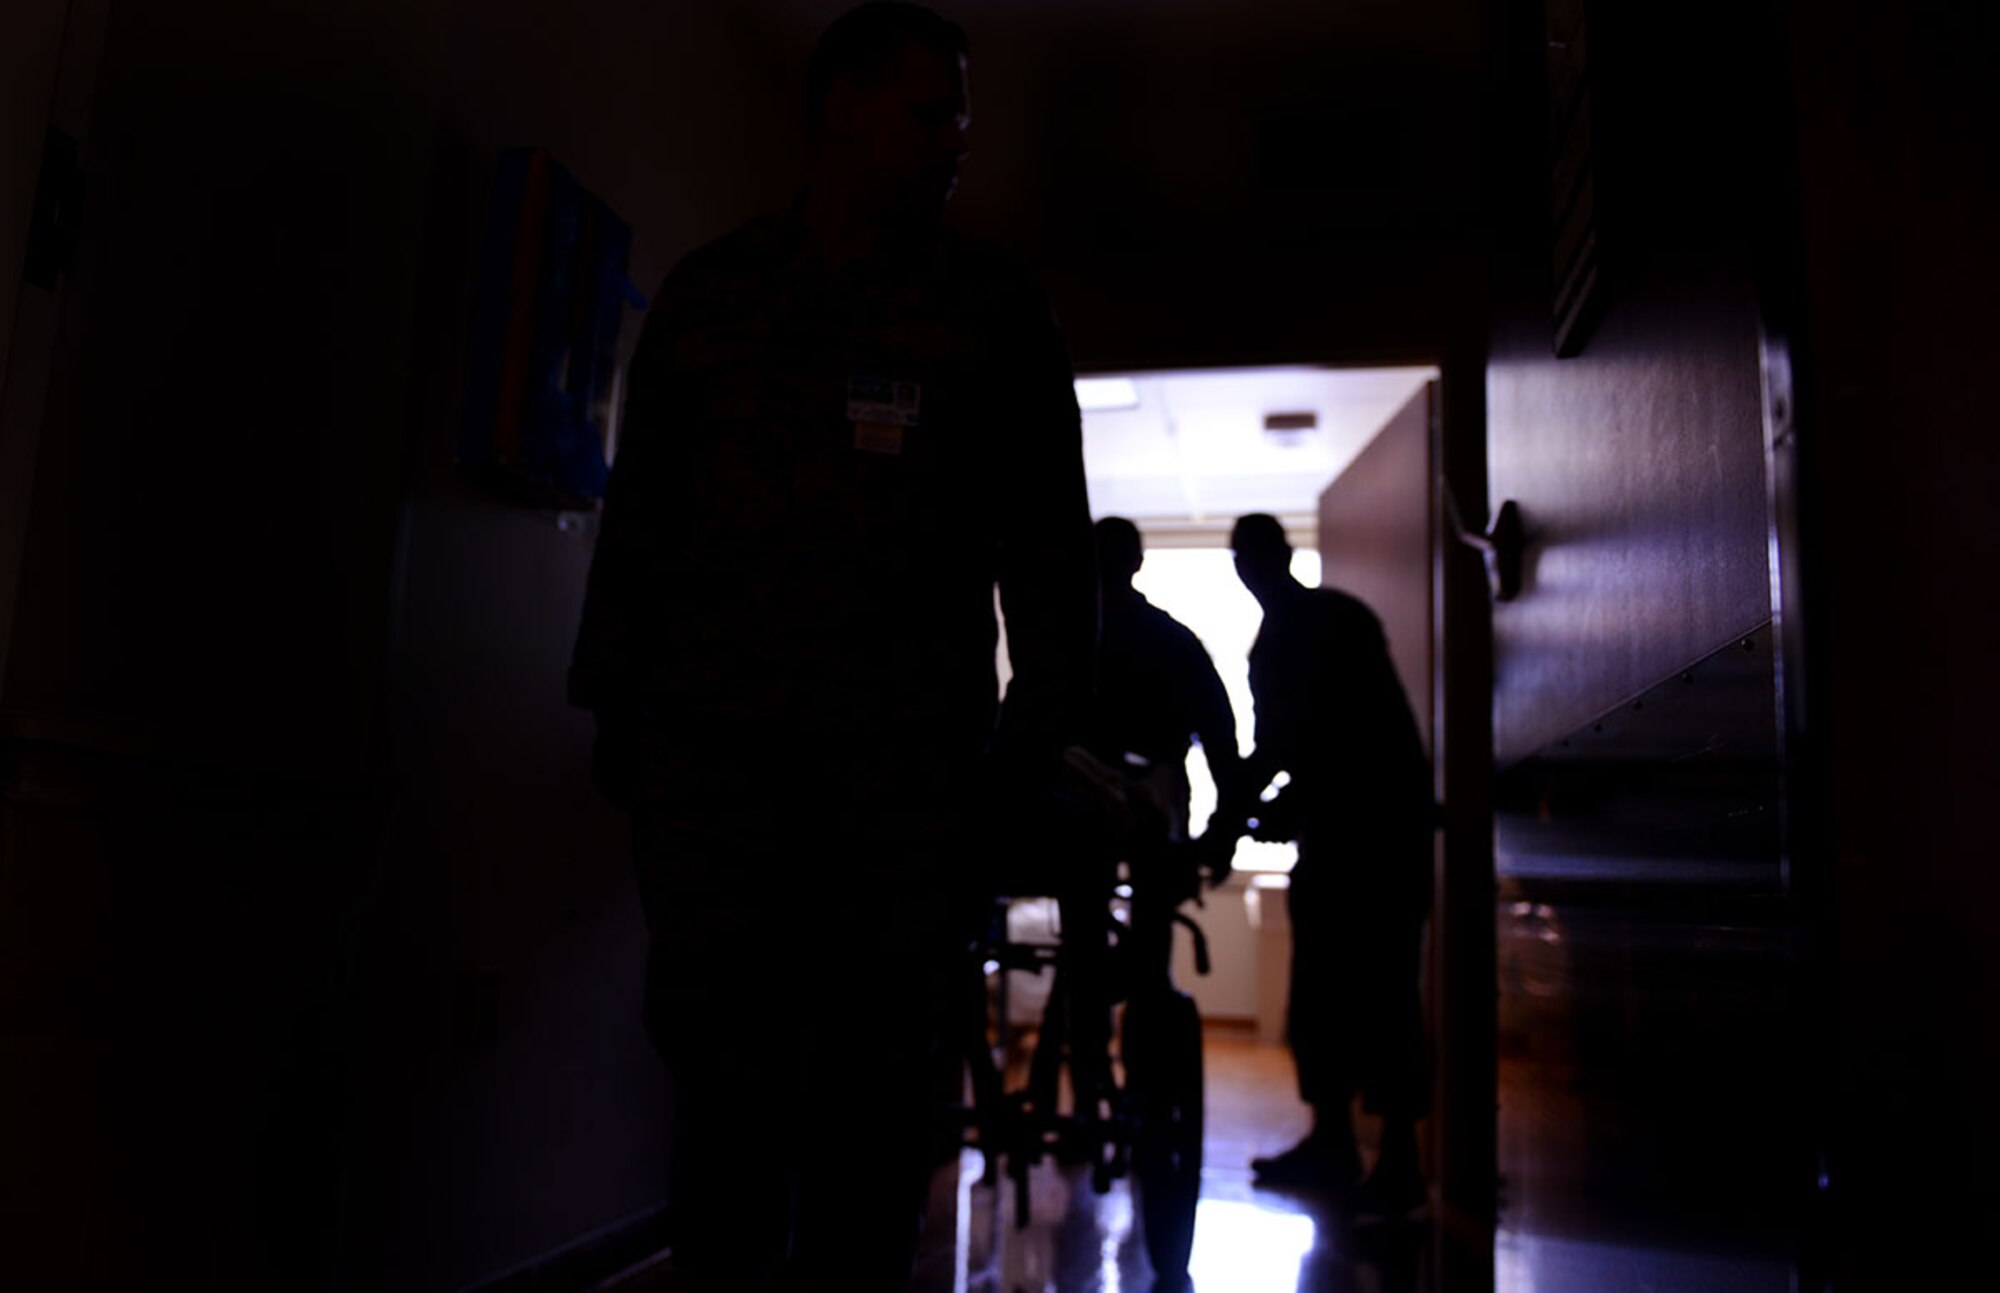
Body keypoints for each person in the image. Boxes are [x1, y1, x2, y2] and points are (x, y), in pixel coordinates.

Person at [567, 5, 1096, 1287]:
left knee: (875, 1119)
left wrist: (1020, 764)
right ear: (842, 111)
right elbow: (638, 524)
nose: (958, 139)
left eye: (961, 113)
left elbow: (1047, 553)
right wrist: (620, 725)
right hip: (715, 794)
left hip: (901, 804)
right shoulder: (712, 297)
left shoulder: (990, 310)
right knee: (723, 1112)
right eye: (932, 110)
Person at [1216, 512, 1433, 1214]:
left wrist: (1229, 820)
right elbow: (1332, 740)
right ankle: (1365, 1150)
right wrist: (1274, 805)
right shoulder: (1336, 617)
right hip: (1380, 833)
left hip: (1357, 840)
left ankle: (1377, 1156)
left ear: (1254, 564)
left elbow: (1297, 744)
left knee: (1353, 996)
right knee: (1367, 994)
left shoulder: (1288, 637)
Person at [1085, 516, 1242, 840]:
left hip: (1104, 793)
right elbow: (1217, 730)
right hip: (1151, 793)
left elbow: (1217, 730)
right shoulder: (1171, 639)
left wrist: (1227, 818)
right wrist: (1227, 820)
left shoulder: (1069, 643)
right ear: (1138, 562)